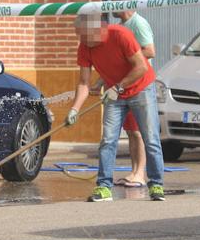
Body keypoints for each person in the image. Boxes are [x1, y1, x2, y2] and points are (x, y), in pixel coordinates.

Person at [65, 14, 165, 202]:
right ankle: (103, 187)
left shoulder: (120, 35)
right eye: (80, 36)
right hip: (115, 93)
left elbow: (141, 67)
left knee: (150, 137)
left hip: (141, 89)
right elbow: (84, 82)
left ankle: (157, 185)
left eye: (85, 36)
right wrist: (75, 110)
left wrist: (118, 87)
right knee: (108, 140)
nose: (82, 41)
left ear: (99, 30)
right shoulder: (85, 47)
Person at [91, 0, 155, 188]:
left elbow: (150, 51)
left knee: (139, 132)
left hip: (137, 86)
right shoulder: (121, 26)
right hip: (122, 86)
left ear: (124, 3)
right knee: (130, 132)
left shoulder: (138, 23)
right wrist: (100, 82)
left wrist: (131, 59)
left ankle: (140, 174)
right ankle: (134, 172)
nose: (109, 5)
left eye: (113, 1)